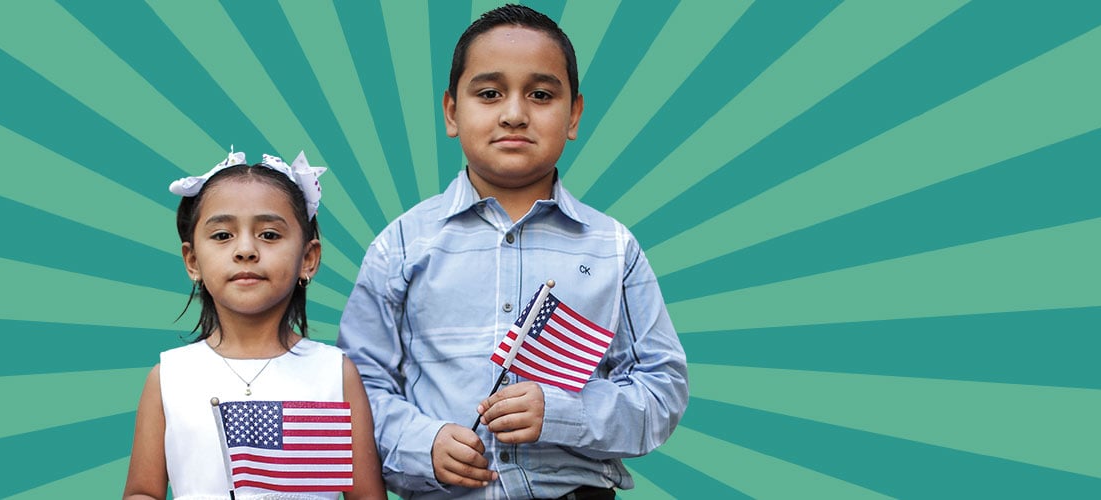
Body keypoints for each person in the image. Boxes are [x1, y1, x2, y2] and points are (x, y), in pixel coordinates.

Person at [337, 4, 688, 499]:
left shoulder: (613, 248)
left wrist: (564, 412)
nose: (515, 113)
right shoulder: (401, 244)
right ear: (452, 112)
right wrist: (422, 443)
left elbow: (663, 388)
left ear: (574, 115)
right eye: (489, 93)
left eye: (541, 94)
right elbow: (354, 385)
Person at [124, 150, 386, 500]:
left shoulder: (335, 373)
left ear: (308, 258)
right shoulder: (169, 376)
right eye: (222, 236)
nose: (245, 249)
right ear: (192, 260)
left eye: (269, 235)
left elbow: (366, 497)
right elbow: (143, 492)